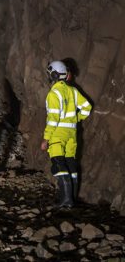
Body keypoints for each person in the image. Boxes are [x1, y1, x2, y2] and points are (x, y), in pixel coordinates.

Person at [40, 60, 92, 208]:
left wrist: (46, 138)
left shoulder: (54, 93)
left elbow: (53, 118)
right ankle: (72, 200)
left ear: (54, 75)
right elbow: (87, 108)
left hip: (57, 134)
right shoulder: (73, 91)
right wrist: (76, 118)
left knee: (58, 164)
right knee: (70, 164)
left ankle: (66, 201)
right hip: (72, 134)